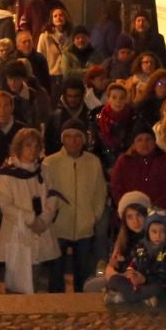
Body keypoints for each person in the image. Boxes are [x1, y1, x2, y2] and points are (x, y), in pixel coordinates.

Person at [43, 124, 109, 293]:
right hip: (58, 226)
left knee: (83, 271)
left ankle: (81, 304)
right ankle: (57, 305)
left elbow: (100, 191)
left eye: (77, 136)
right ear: (63, 139)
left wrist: (94, 216)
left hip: (84, 227)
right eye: (69, 136)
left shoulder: (93, 162)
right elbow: (44, 192)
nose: (73, 141)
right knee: (56, 272)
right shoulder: (50, 162)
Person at [0, 127, 59, 293]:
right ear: (19, 147)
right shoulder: (8, 174)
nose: (33, 150)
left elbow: (53, 195)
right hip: (18, 231)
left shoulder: (45, 170)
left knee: (38, 276)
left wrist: (44, 219)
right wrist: (30, 219)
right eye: (28, 145)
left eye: (36, 146)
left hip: (41, 230)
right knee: (18, 278)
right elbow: (6, 205)